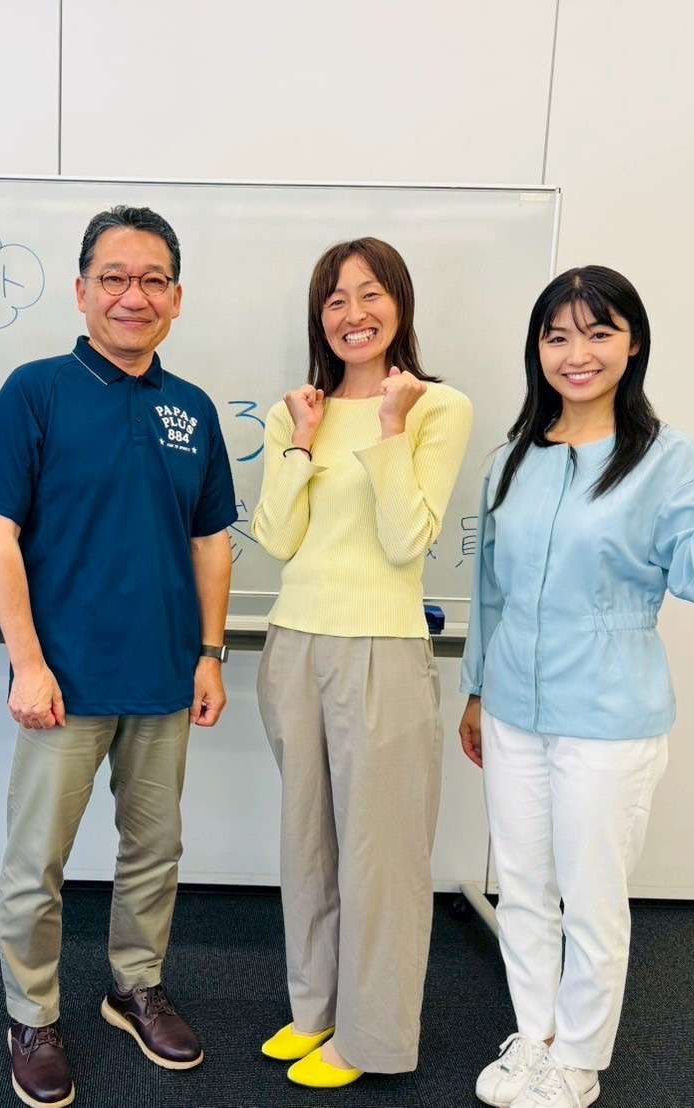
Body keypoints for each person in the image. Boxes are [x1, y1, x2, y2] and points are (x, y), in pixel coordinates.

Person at [458, 266, 694, 1108]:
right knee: (522, 887)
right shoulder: (511, 459)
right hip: (512, 710)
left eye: (598, 333)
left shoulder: (666, 460)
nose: (577, 353)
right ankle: (535, 1037)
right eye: (557, 336)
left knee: (591, 897)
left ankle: (579, 1058)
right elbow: (490, 590)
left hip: (608, 715)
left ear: (632, 345)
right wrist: (477, 690)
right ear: (537, 350)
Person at [0, 205, 236, 1108]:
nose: (132, 296)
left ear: (176, 298)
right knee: (35, 861)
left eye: (153, 280)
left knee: (154, 848)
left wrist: (210, 654)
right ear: (81, 291)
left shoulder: (192, 408)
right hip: (63, 681)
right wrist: (27, 664)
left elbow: (210, 542)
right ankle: (31, 1015)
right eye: (114, 278)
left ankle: (134, 987)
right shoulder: (36, 390)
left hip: (164, 674)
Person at [250, 238, 473, 1090]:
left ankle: (372, 1039)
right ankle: (316, 1012)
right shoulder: (294, 410)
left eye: (370, 293)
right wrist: (302, 441)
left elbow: (405, 537)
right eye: (335, 299)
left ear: (400, 303)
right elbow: (276, 539)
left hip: (381, 646)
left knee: (381, 859)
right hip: (293, 644)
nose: (353, 313)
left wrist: (387, 428)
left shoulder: (436, 407)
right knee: (306, 846)